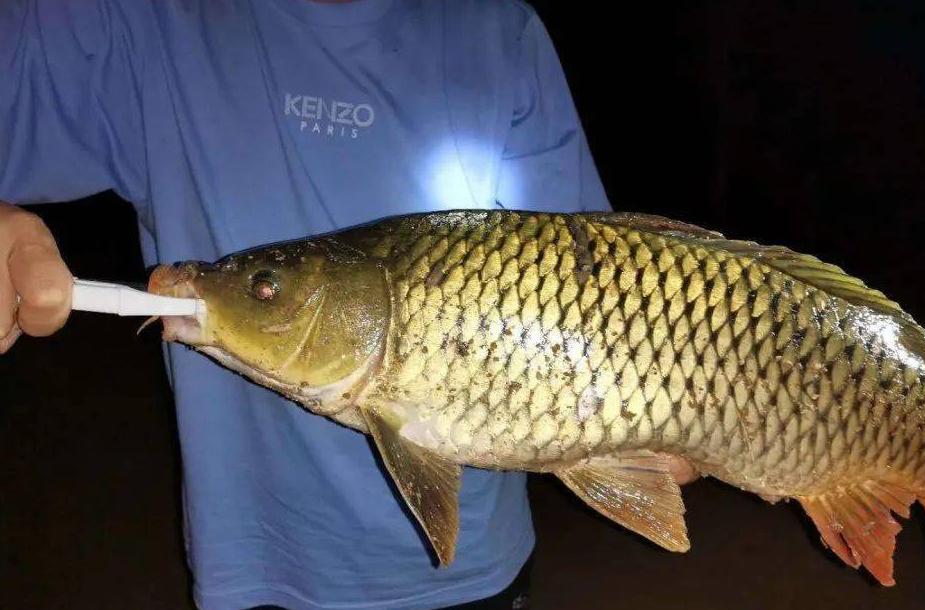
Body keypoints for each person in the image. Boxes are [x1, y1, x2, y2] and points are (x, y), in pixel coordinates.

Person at [0, 0, 610, 608]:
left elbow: (603, 295)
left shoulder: (501, 31)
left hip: (476, 572)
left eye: (264, 289)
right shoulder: (126, 21)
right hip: (257, 571)